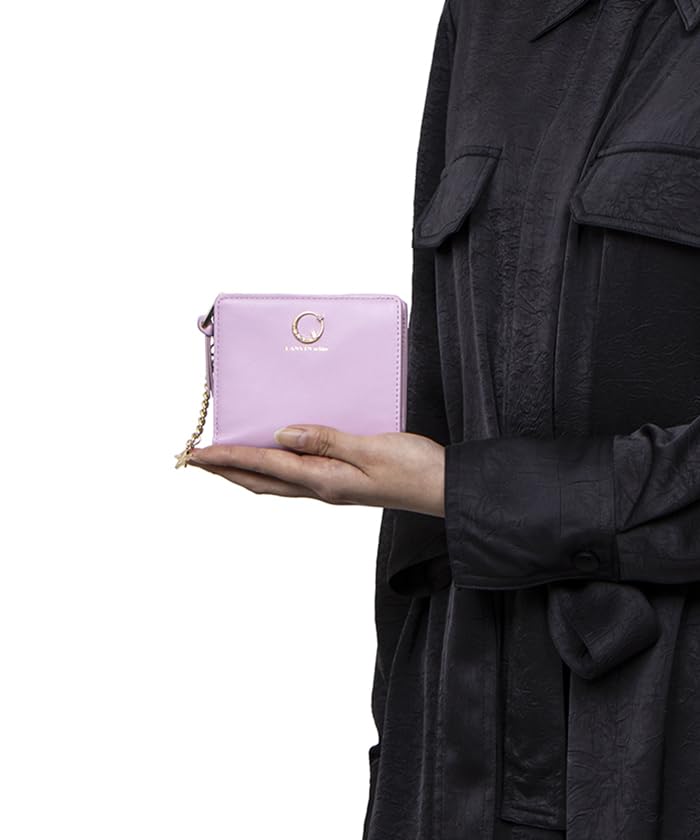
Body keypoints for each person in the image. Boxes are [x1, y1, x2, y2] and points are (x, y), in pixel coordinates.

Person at [186, 0, 700, 836]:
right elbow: (438, 393)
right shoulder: (488, 18)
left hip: (665, 735)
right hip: (459, 744)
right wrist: (396, 760)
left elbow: (451, 481)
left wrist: (467, 490)